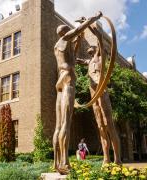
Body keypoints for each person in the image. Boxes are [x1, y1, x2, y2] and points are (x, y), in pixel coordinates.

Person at [53, 12, 103, 174]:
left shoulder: (58, 46)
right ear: (65, 32)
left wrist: (79, 41)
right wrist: (95, 17)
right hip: (68, 80)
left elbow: (72, 58)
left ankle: (56, 163)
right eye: (69, 31)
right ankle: (65, 163)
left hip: (60, 80)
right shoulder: (66, 37)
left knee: (58, 125)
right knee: (66, 123)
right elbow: (79, 27)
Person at [76, 23, 122, 164]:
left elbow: (100, 38)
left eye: (91, 47)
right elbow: (75, 59)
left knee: (109, 124)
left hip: (102, 91)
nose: (88, 48)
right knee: (101, 126)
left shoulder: (100, 56)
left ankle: (117, 159)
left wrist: (88, 24)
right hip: (93, 95)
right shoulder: (88, 61)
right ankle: (106, 159)